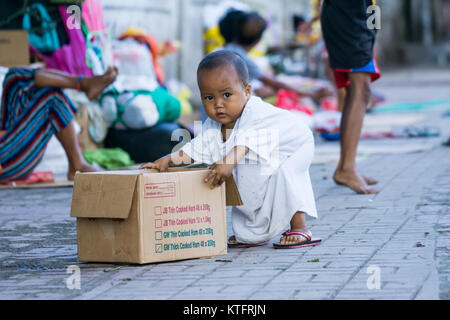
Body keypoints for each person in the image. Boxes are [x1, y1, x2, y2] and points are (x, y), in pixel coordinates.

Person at [141, 50, 321, 249]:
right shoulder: (213, 124)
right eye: (209, 98)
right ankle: (254, 232)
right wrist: (168, 159)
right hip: (256, 150)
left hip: (294, 145)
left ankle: (301, 227)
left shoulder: (256, 111)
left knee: (286, 176)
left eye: (227, 95)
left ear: (247, 91)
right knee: (249, 181)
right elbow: (198, 147)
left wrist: (227, 162)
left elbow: (248, 140)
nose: (218, 104)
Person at [0, 66, 118, 183]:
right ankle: (84, 84)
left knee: (14, 77)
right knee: (52, 97)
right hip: (6, 161)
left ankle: (84, 83)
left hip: (8, 144)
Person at [320, 0, 381, 194]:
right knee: (360, 90)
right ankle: (346, 168)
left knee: (360, 91)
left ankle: (346, 166)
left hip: (365, 12)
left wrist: (373, 28)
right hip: (349, 15)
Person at [219, 9, 332, 100]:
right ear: (259, 39)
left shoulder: (228, 50)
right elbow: (274, 83)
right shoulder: (237, 56)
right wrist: (312, 94)